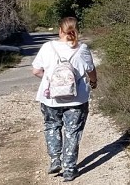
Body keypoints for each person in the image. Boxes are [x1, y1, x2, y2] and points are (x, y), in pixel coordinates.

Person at [31, 17, 97, 182]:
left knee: (52, 126)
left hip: (50, 98)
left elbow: (36, 71)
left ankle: (55, 159)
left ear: (60, 30)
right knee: (72, 131)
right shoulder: (82, 49)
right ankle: (69, 169)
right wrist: (93, 82)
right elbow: (91, 70)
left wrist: (52, 82)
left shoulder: (48, 47)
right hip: (77, 99)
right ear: (76, 30)